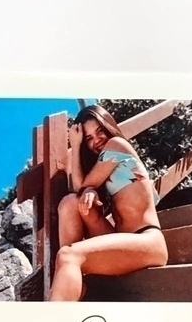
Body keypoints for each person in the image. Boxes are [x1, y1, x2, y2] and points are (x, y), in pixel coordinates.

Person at [48, 105, 169, 302]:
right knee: (70, 202)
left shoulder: (116, 145)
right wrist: (89, 190)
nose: (96, 140)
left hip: (147, 240)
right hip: (119, 237)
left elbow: (80, 185)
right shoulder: (103, 167)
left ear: (108, 126)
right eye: (89, 138)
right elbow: (80, 191)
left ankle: (60, 301)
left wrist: (76, 145)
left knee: (68, 255)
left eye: (99, 131)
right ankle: (73, 278)